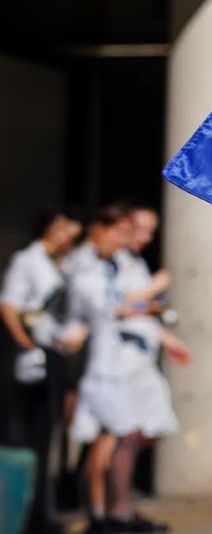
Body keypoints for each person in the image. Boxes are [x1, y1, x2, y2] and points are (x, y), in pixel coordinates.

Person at [65, 204, 175, 534]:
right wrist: (151, 294)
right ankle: (104, 517)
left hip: (109, 363)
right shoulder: (86, 263)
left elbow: (123, 305)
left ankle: (113, 515)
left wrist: (150, 312)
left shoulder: (109, 263)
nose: (127, 239)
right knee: (113, 438)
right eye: (123, 232)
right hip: (93, 366)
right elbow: (109, 307)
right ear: (99, 228)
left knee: (121, 437)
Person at [2, 207, 85, 534]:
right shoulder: (27, 260)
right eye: (63, 229)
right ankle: (25, 518)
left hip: (53, 354)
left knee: (46, 438)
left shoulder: (59, 263)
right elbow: (9, 305)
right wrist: (26, 344)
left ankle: (40, 514)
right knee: (26, 437)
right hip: (30, 356)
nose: (68, 237)